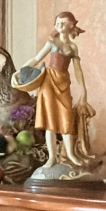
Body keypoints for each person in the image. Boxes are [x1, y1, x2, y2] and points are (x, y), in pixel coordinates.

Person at [15, 11, 91, 172]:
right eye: (57, 22)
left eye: (63, 22)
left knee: (66, 118)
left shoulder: (72, 47)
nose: (59, 25)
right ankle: (52, 157)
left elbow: (78, 70)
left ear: (71, 25)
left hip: (63, 83)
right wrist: (21, 71)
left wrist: (83, 90)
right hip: (49, 82)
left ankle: (70, 154)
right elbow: (36, 59)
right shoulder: (52, 43)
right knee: (50, 121)